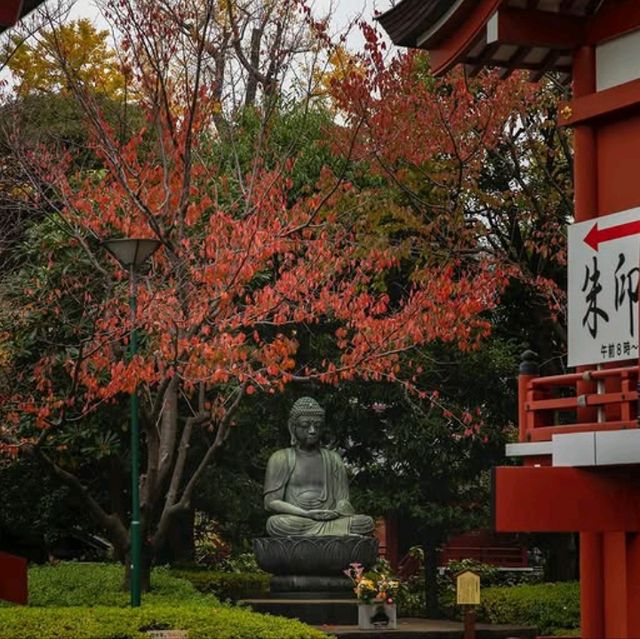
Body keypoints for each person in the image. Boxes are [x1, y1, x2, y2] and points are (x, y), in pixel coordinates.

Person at [263, 397, 375, 537]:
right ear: (293, 427)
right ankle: (332, 537)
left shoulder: (333, 459)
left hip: (330, 520)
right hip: (298, 520)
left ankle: (319, 536)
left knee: (365, 522)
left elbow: (343, 500)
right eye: (305, 425)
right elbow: (271, 502)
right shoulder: (281, 458)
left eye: (317, 426)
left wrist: (336, 512)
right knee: (276, 523)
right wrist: (306, 514)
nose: (312, 430)